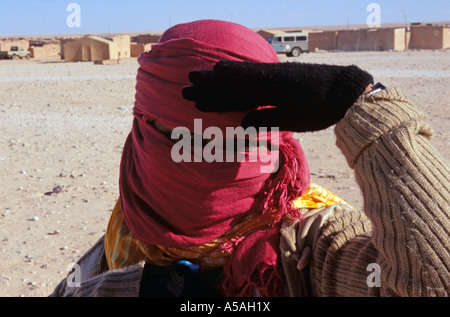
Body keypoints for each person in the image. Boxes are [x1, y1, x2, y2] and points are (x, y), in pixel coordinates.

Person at [50, 20, 449, 297]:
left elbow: (435, 283)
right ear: (143, 129)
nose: (209, 158)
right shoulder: (122, 241)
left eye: (242, 139)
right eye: (186, 139)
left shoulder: (312, 247)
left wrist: (366, 104)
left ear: (277, 136)